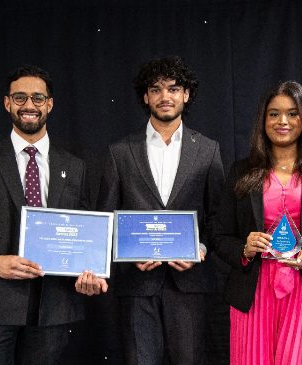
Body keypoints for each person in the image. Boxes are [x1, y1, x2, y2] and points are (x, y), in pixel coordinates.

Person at [0, 65, 108, 365]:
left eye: (37, 98)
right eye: (20, 98)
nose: (29, 105)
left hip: (53, 305)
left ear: (50, 104)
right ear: (7, 103)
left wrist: (90, 272)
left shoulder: (75, 167)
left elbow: (84, 234)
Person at [212, 81, 302, 364]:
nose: (283, 121)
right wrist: (244, 248)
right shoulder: (242, 172)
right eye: (274, 113)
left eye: (293, 113)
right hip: (254, 295)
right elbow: (219, 236)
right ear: (263, 120)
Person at [96, 56, 225, 364]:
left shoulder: (208, 150)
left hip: (190, 283)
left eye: (174, 88)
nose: (165, 96)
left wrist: (201, 247)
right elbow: (107, 218)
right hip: (138, 285)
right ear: (146, 97)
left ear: (186, 95)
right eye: (156, 89)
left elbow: (218, 215)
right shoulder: (120, 152)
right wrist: (128, 251)